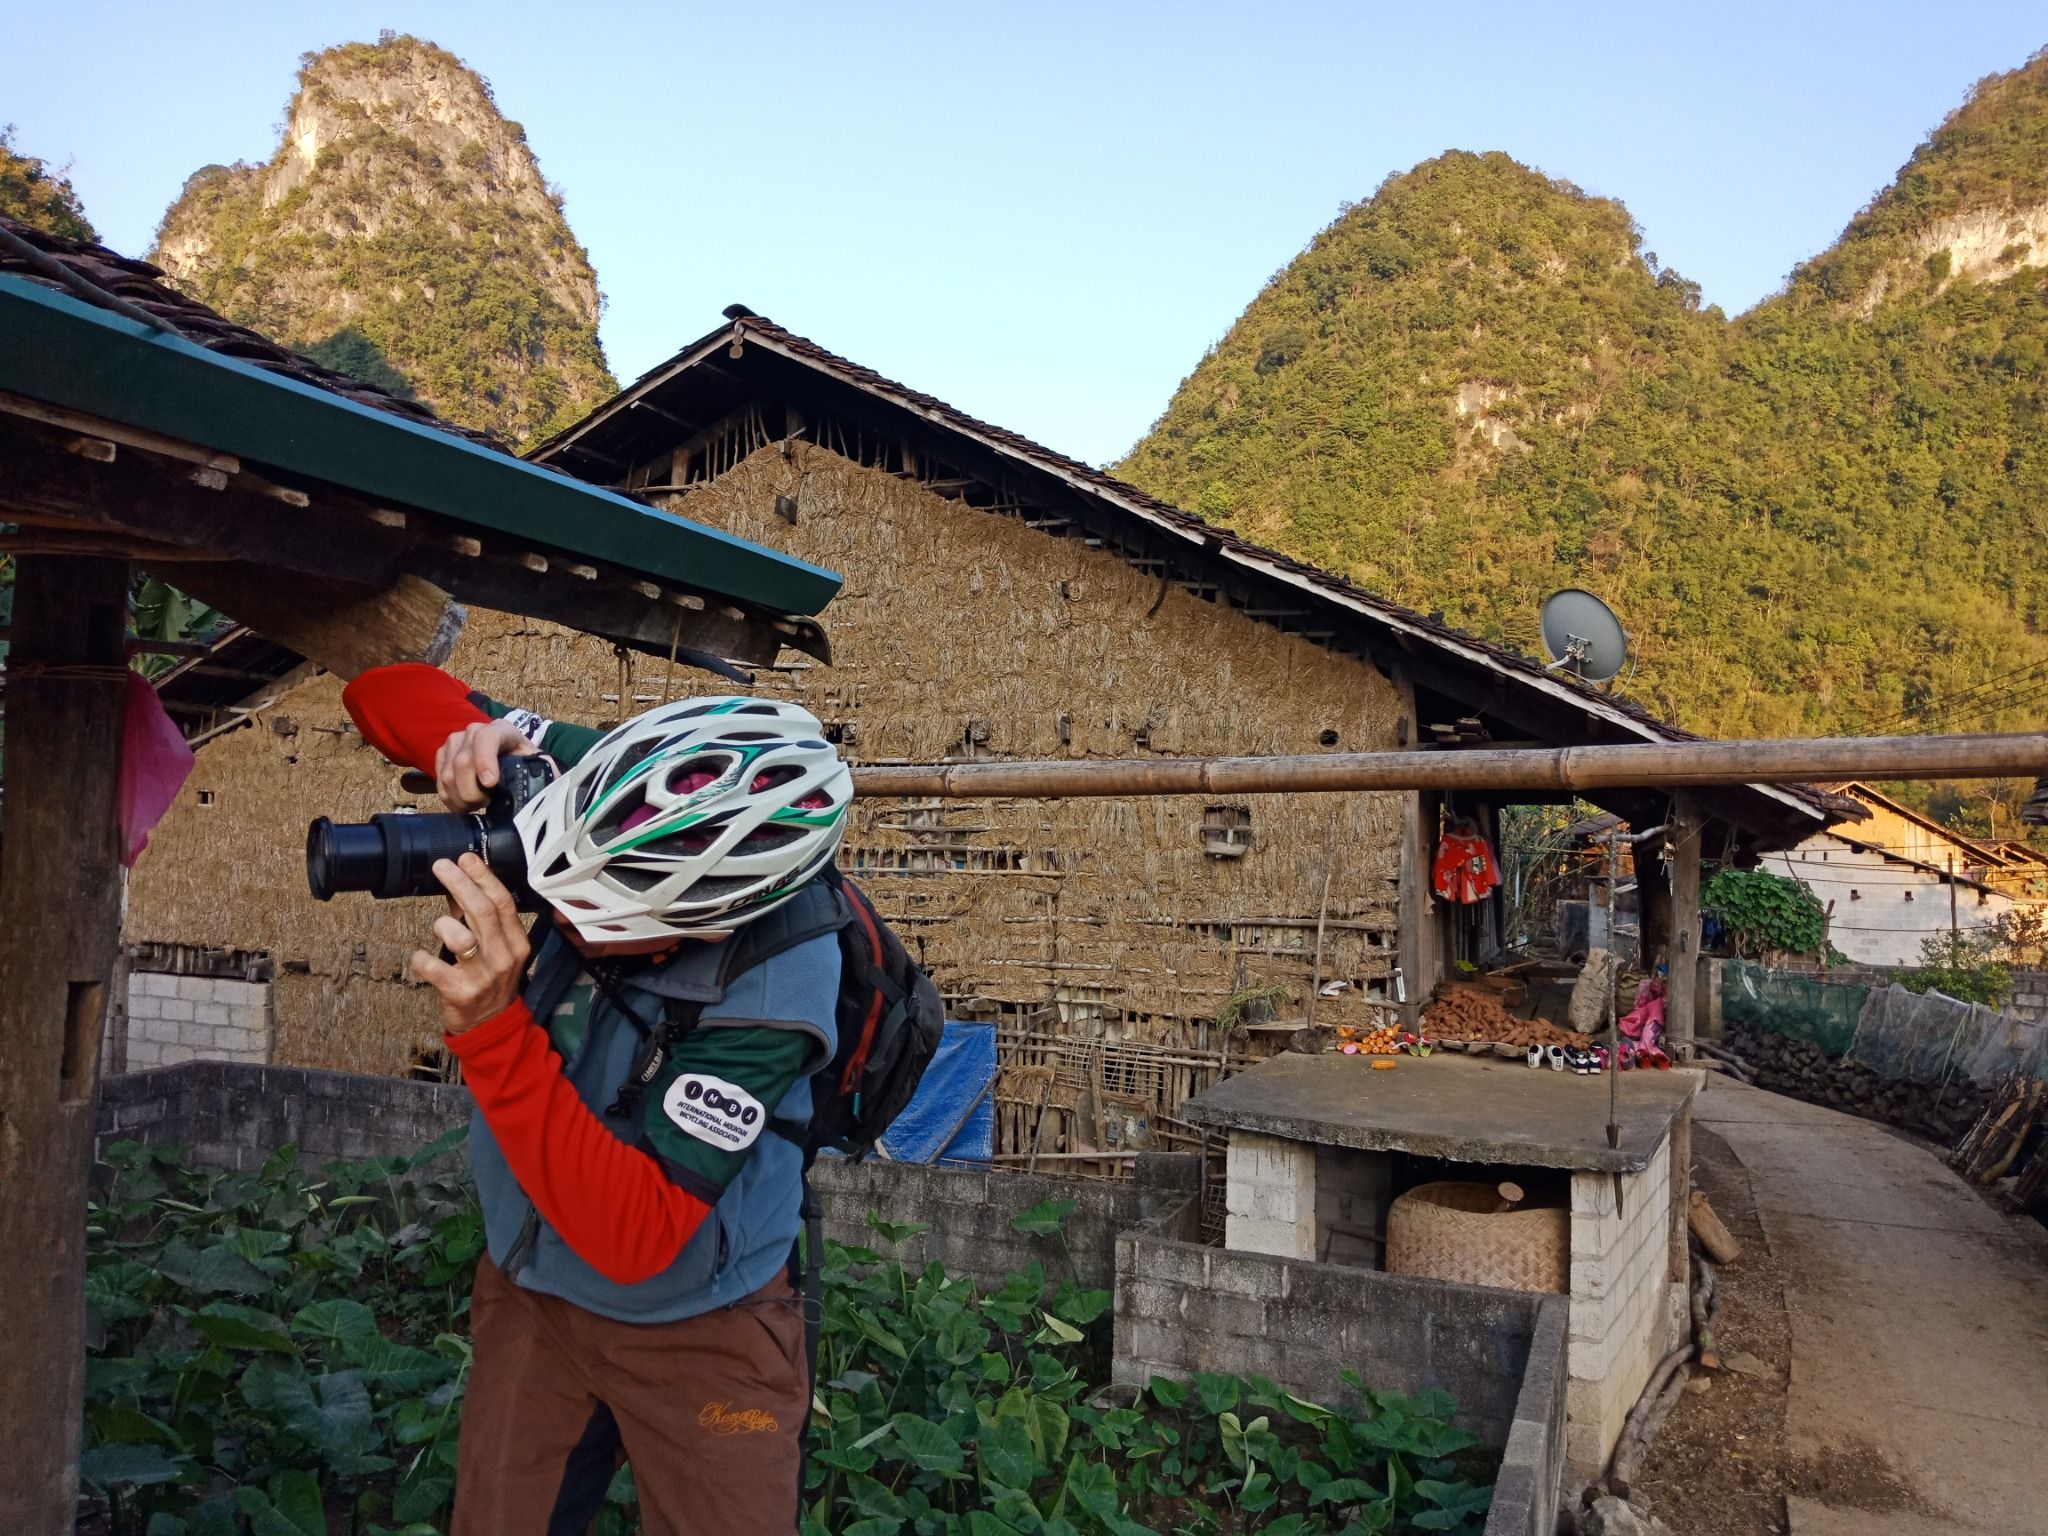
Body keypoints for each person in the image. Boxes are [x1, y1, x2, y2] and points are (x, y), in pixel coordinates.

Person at [342, 663, 854, 1536]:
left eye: (607, 912)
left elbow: (637, 1234)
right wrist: (473, 746)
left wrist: (494, 1032)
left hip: (706, 1322)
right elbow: (381, 690)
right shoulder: (632, 787)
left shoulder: (780, 980)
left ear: (714, 918)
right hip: (532, 1293)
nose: (566, 921)